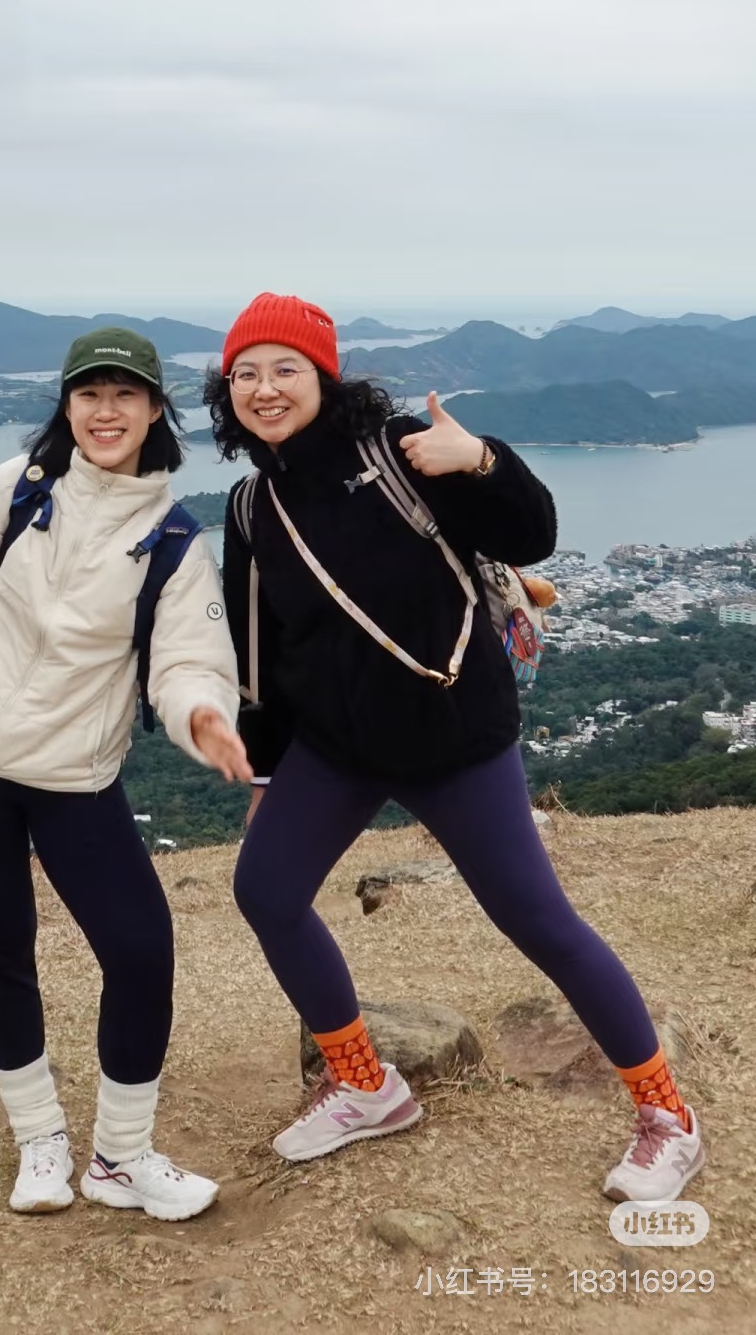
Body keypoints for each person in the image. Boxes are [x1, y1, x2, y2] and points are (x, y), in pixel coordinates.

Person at [208, 293, 705, 1206]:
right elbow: (262, 655)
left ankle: (667, 1117)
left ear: (324, 378)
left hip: (455, 740)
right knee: (266, 892)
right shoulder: (251, 507)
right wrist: (268, 770)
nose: (265, 388)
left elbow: (532, 533)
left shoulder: (401, 453)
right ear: (226, 390)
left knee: (538, 922)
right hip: (337, 747)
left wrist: (482, 460)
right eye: (246, 373)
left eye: (286, 369)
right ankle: (365, 1084)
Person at [0, 328, 250, 1222]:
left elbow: (188, 661)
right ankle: (39, 1139)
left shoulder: (173, 542)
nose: (106, 411)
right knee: (2, 944)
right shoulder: (16, 490)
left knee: (140, 952)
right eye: (89, 394)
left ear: (154, 412)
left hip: (72, 777)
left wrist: (202, 717)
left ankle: (121, 1158)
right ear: (67, 406)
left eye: (126, 395)